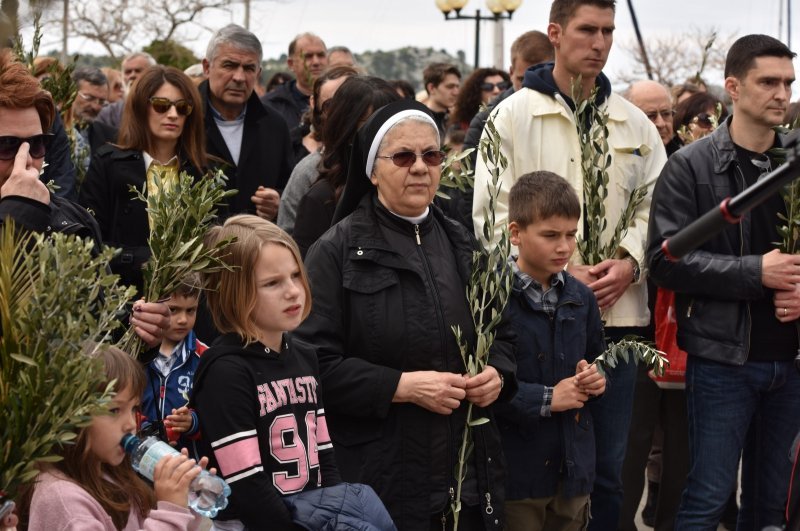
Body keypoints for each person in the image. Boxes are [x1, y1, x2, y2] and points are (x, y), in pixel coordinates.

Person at [471, 2, 667, 528]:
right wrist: (557, 272)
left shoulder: (635, 123)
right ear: (555, 33)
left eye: (607, 31)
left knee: (609, 468)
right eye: (587, 30)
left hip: (617, 319)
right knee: (540, 467)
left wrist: (630, 259)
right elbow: (490, 215)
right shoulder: (511, 116)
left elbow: (658, 206)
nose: (599, 42)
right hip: (531, 322)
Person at [294, 99, 517, 531]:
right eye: (403, 156)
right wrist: (401, 386)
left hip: (466, 478)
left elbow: (504, 337)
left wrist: (498, 376)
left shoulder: (465, 246)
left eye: (431, 155)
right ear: (373, 171)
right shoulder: (335, 253)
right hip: (384, 479)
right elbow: (311, 365)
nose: (420, 167)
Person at [647, 34, 800, 529]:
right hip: (722, 360)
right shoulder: (689, 166)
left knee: (772, 504)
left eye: (789, 83)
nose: (781, 93)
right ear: (733, 87)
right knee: (708, 499)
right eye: (768, 82)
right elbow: (665, 262)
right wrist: (756, 272)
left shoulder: (795, 164)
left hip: (791, 360)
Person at [0, 49, 169, 349]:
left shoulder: (72, 220)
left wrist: (138, 332)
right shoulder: (28, 209)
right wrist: (19, 214)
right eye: (7, 146)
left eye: (37, 145)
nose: (26, 162)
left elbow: (97, 331)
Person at [190, 215, 341, 529]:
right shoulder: (226, 371)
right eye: (273, 283)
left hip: (311, 517)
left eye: (296, 275)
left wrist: (336, 514)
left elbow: (324, 452)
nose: (293, 291)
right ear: (234, 291)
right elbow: (247, 484)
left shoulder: (306, 356)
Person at [497, 171, 606, 531]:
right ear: (515, 233)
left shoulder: (582, 297)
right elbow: (488, 386)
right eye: (550, 235)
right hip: (518, 475)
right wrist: (546, 398)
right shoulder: (493, 300)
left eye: (571, 235)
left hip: (572, 467)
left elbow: (598, 359)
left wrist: (596, 379)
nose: (564, 247)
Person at [20, 344, 209, 530]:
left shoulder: (110, 475)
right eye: (114, 410)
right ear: (70, 417)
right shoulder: (63, 501)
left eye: (134, 408)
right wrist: (171, 512)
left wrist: (187, 501)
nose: (131, 424)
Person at [79, 65, 210, 295]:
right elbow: (88, 243)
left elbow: (214, 241)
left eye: (182, 108)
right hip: (124, 301)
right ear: (141, 107)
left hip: (189, 304)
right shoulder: (108, 165)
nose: (172, 114)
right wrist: (142, 260)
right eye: (161, 105)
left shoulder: (203, 172)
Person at [291, 76, 398, 256]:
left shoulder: (413, 190)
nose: (385, 137)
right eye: (373, 126)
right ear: (347, 129)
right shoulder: (321, 198)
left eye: (393, 126)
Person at [200, 24, 293, 220]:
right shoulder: (183, 119)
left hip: (257, 245)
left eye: (249, 68)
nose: (239, 77)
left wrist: (279, 201)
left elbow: (289, 186)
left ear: (258, 74)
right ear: (207, 68)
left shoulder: (275, 126)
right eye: (229, 65)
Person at [276, 65, 358, 235]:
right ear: (316, 106)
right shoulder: (307, 172)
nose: (341, 113)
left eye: (351, 104)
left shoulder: (389, 161)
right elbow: (288, 238)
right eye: (331, 105)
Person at [140, 272, 208, 457]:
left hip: (188, 466)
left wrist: (192, 422)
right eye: (173, 309)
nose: (183, 320)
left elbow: (217, 416)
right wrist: (145, 429)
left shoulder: (205, 358)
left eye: (190, 310)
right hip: (138, 465)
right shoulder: (134, 356)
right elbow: (120, 407)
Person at [261, 33, 328, 131]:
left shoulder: (342, 100)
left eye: (321, 55)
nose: (316, 62)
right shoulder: (270, 106)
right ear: (291, 64)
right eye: (308, 56)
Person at [420, 62, 461, 138]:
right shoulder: (419, 121)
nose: (456, 92)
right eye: (450, 87)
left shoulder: (458, 122)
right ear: (431, 88)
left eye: (457, 87)